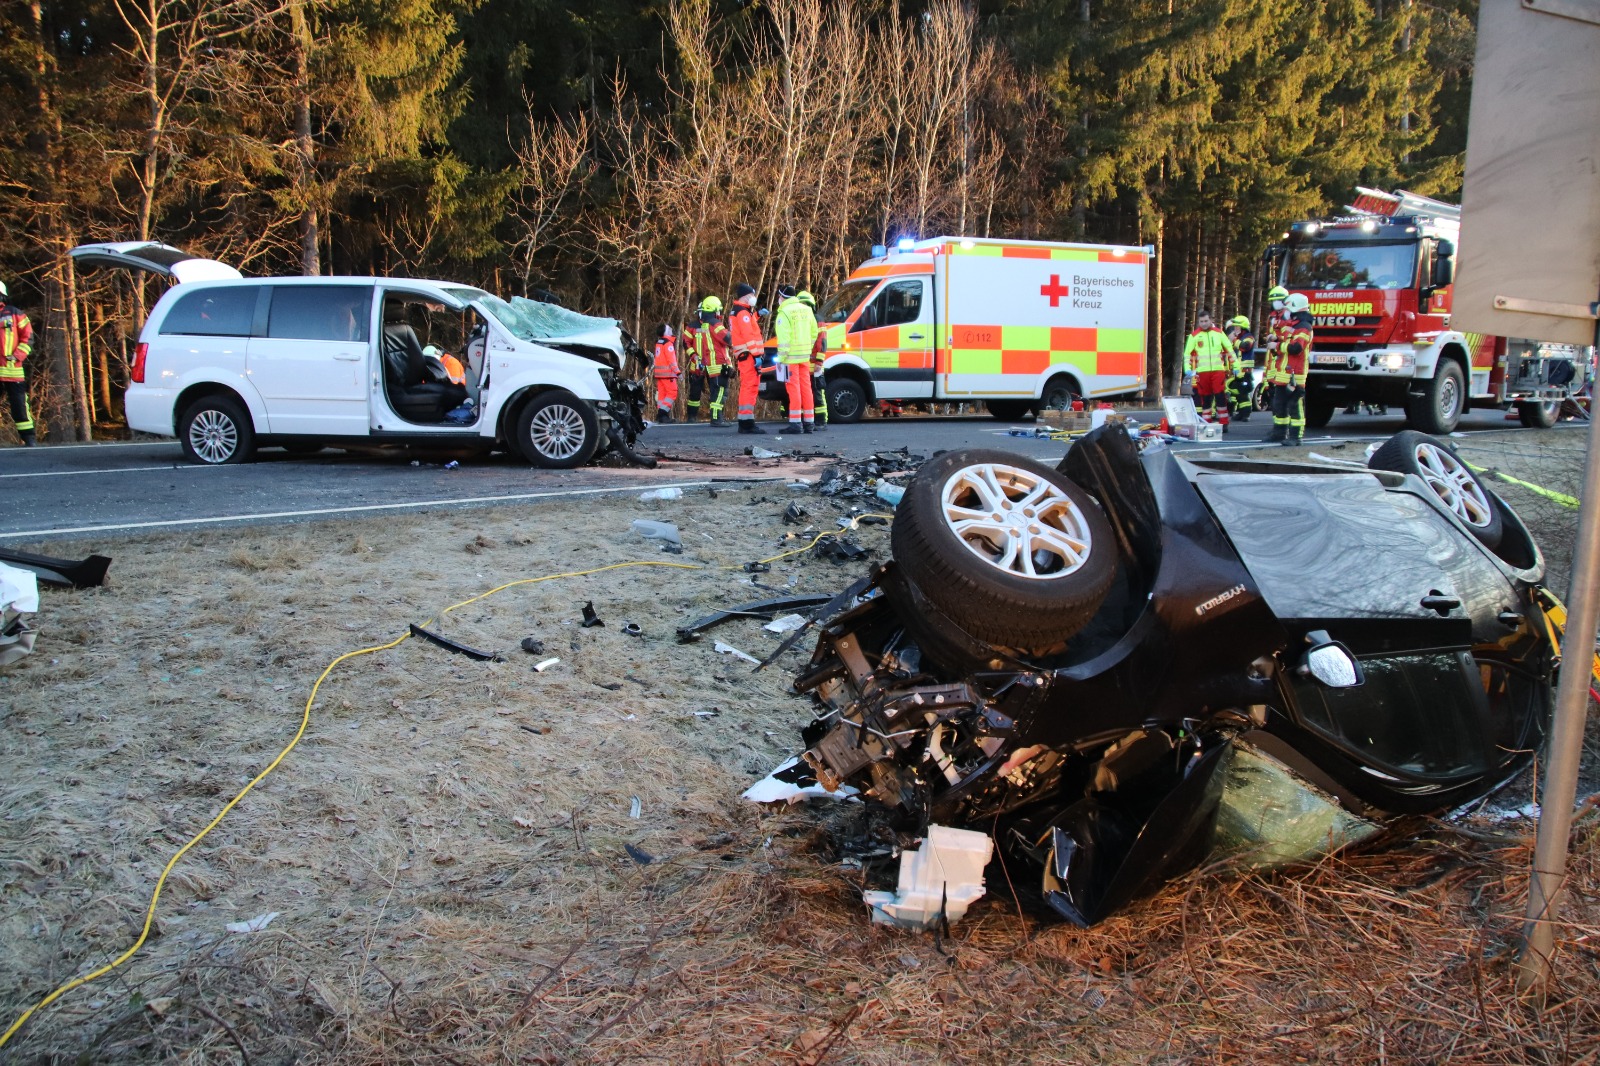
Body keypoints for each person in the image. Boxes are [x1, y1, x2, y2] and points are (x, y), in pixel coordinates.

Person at [1266, 293, 1313, 445]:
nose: (1285, 310)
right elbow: (1287, 339)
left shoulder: (1304, 327)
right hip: (1283, 372)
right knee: (1279, 404)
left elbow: (1297, 348)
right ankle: (1279, 433)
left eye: (1287, 307)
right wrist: (1276, 339)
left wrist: (1277, 345)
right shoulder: (1293, 325)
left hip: (1295, 374)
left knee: (1294, 406)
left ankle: (1295, 437)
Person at [773, 284, 816, 434]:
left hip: (790, 358)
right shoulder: (807, 309)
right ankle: (809, 422)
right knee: (806, 388)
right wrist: (808, 349)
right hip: (804, 356)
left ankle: (796, 423)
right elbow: (814, 332)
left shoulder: (784, 313)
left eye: (779, 297)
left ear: (782, 297)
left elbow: (784, 338)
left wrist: (780, 358)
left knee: (794, 389)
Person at [1183, 310, 1235, 427]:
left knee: (1220, 396)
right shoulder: (1194, 336)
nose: (1204, 323)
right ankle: (1207, 423)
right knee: (1206, 399)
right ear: (1198, 322)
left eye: (1206, 321)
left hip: (1218, 370)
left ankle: (1224, 423)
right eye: (1201, 321)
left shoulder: (1219, 333)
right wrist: (1187, 368)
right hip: (1202, 372)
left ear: (1210, 320)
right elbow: (1187, 354)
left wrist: (1235, 365)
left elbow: (1229, 350)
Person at [728, 283, 767, 434]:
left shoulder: (741, 311)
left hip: (747, 355)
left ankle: (746, 421)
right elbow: (748, 335)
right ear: (745, 296)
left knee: (750, 387)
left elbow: (746, 325)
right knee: (749, 387)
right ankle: (746, 423)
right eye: (752, 295)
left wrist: (757, 315)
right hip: (749, 355)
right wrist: (757, 355)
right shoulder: (742, 312)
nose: (754, 298)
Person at [0, 281, 35, 446]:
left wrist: (17, 356)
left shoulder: (15, 314)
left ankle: (29, 439)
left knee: (20, 407)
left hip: (13, 371)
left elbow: (28, 338)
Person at [798, 290, 828, 430]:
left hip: (814, 364)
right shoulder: (800, 319)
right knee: (805, 393)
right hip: (803, 364)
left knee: (817, 393)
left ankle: (821, 421)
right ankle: (807, 421)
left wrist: (819, 362)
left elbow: (821, 342)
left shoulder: (817, 319)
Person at [1223, 315, 1256, 422]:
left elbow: (1245, 346)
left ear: (1243, 327)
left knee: (1243, 393)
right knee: (1237, 392)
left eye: (1237, 327)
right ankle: (1241, 413)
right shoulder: (1239, 338)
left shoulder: (1249, 337)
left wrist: (1234, 340)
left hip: (1245, 372)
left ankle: (1246, 414)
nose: (1236, 329)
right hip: (1238, 372)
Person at [651, 324, 680, 423]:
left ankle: (661, 416)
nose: (671, 329)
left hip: (659, 374)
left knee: (662, 395)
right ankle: (662, 413)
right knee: (672, 392)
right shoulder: (668, 344)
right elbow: (671, 360)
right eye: (669, 328)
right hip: (668, 374)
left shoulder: (659, 343)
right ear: (665, 332)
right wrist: (678, 372)